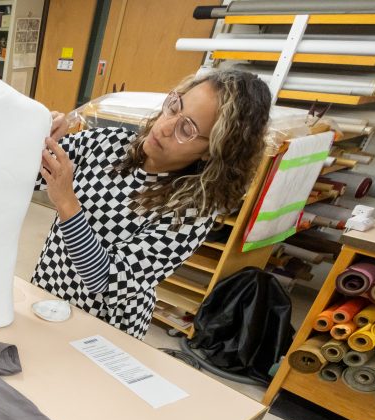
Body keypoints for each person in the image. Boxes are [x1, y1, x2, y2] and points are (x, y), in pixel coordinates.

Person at [33, 70, 271, 339]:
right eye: (174, 107)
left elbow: (105, 281)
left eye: (187, 129)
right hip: (47, 292)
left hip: (102, 328)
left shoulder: (191, 212)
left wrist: (66, 202)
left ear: (212, 150)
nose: (165, 126)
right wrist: (39, 136)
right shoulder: (109, 144)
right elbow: (26, 178)